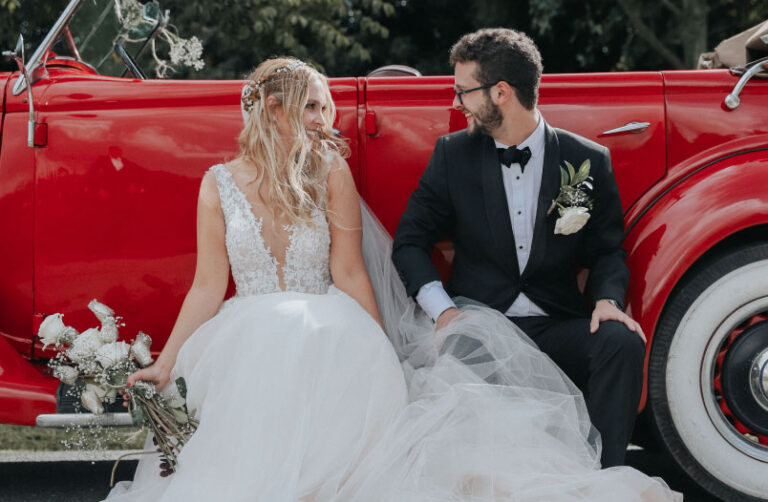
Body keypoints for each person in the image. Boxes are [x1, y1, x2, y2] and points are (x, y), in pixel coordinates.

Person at [106, 57, 679, 501]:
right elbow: (208, 285)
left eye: (326, 108)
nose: (323, 122)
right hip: (247, 332)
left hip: (329, 321)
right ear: (273, 110)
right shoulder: (217, 184)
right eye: (310, 108)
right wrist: (167, 360)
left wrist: (384, 352)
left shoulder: (329, 169)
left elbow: (350, 270)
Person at [392, 28, 645, 468]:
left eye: (463, 92)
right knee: (459, 355)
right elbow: (410, 242)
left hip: (555, 323)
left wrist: (606, 300)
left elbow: (607, 250)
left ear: (501, 92)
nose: (457, 104)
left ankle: (605, 476)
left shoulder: (585, 159)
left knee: (619, 341)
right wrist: (446, 312)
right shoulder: (453, 155)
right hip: (480, 327)